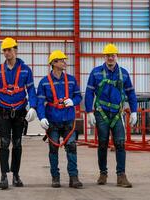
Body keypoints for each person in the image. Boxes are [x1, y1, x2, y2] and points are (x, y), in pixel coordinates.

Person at [85, 43, 137, 188]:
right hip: (101, 113)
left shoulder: (124, 73)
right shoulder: (96, 73)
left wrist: (134, 111)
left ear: (117, 56)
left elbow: (131, 93)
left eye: (113, 55)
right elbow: (89, 93)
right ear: (104, 57)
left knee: (120, 144)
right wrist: (89, 112)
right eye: (108, 55)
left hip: (117, 114)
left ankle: (121, 176)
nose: (110, 58)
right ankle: (103, 173)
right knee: (102, 144)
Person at [0, 37, 37, 189]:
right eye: (4, 50)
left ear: (16, 50)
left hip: (19, 112)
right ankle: (3, 176)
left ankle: (16, 175)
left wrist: (33, 107)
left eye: (9, 49)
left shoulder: (25, 70)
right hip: (3, 112)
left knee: (17, 144)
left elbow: (31, 90)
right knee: (4, 143)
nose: (7, 53)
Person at [37, 50, 83, 188]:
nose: (65, 62)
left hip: (68, 119)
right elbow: (40, 102)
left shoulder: (71, 80)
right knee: (53, 150)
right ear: (54, 63)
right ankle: (55, 177)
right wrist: (42, 117)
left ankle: (73, 177)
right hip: (53, 120)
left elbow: (79, 96)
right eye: (62, 60)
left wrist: (73, 101)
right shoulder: (44, 82)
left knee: (72, 148)